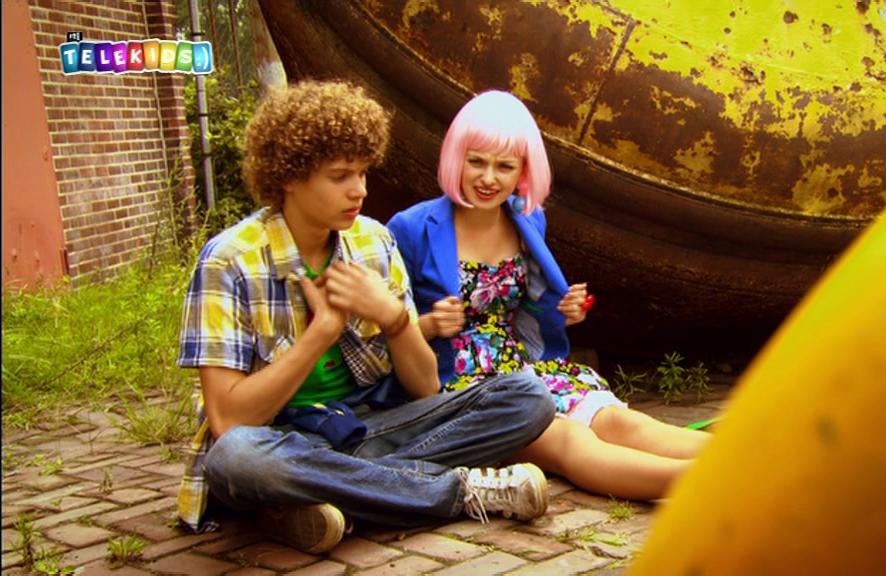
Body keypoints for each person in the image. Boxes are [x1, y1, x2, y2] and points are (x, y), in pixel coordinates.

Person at [175, 82, 556, 554]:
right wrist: (321, 334)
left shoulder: (373, 241)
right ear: (289, 176)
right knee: (236, 458)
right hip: (281, 440)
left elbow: (426, 389)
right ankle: (456, 493)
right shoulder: (230, 261)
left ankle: (326, 500)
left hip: (371, 429)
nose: (360, 190)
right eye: (340, 176)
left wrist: (393, 318)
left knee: (527, 397)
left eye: (362, 172)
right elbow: (229, 420)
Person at [387, 90, 712, 501]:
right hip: (464, 386)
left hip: (525, 368)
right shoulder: (411, 228)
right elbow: (378, 331)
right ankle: (716, 480)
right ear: (456, 157)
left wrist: (563, 310)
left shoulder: (527, 218)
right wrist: (430, 324)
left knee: (617, 421)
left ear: (524, 170)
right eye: (476, 162)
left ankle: (753, 455)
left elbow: (526, 308)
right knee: (571, 440)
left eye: (505, 166)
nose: (488, 178)